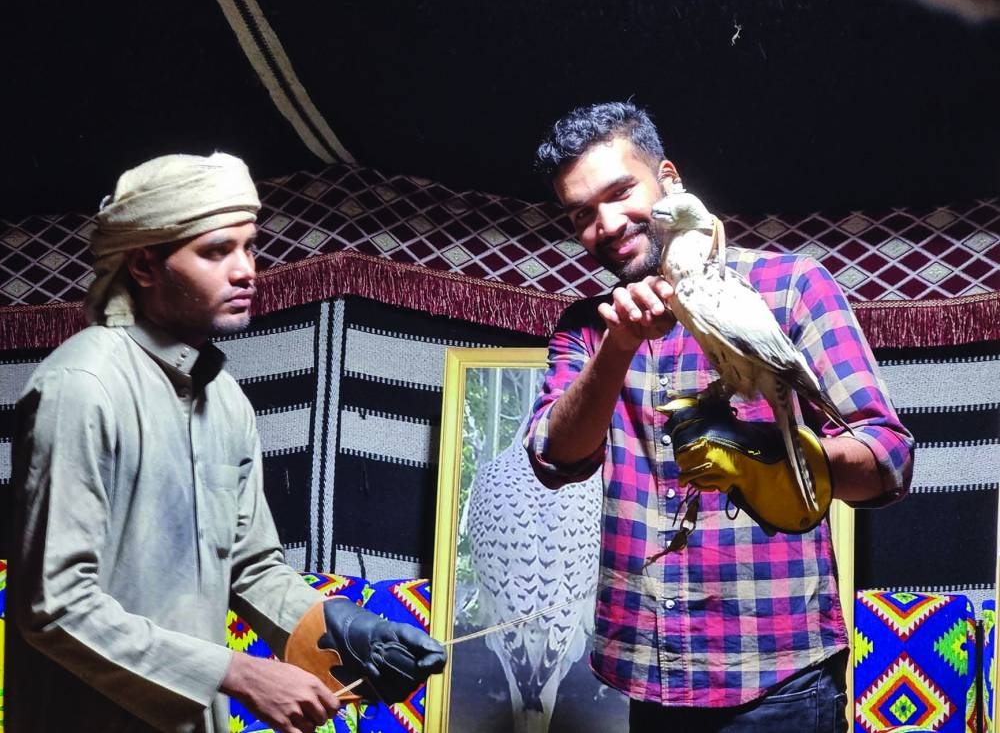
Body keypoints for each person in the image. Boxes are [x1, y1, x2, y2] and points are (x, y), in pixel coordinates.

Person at [5, 153, 447, 733]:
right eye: (217, 251)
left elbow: (250, 566)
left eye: (249, 246)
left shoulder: (227, 399)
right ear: (143, 265)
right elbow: (56, 606)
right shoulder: (82, 387)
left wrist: (345, 626)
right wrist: (238, 673)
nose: (246, 271)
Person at [523, 102, 914, 732]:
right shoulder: (587, 328)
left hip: (779, 679)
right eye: (581, 215)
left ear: (669, 180)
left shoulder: (788, 286)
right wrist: (617, 345)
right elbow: (554, 460)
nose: (607, 223)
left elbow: (888, 461)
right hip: (651, 676)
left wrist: (778, 461)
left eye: (622, 192)